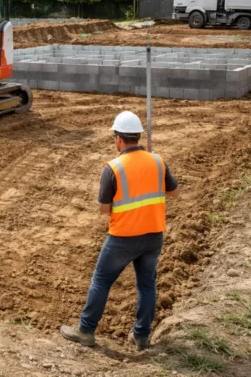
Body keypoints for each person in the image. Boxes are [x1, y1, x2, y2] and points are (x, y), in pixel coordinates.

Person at [60, 111, 178, 351]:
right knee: (146, 285)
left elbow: (104, 209)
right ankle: (141, 336)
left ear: (119, 139)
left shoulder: (113, 168)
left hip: (123, 238)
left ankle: (86, 330)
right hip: (154, 235)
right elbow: (174, 193)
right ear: (138, 136)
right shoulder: (157, 161)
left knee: (101, 281)